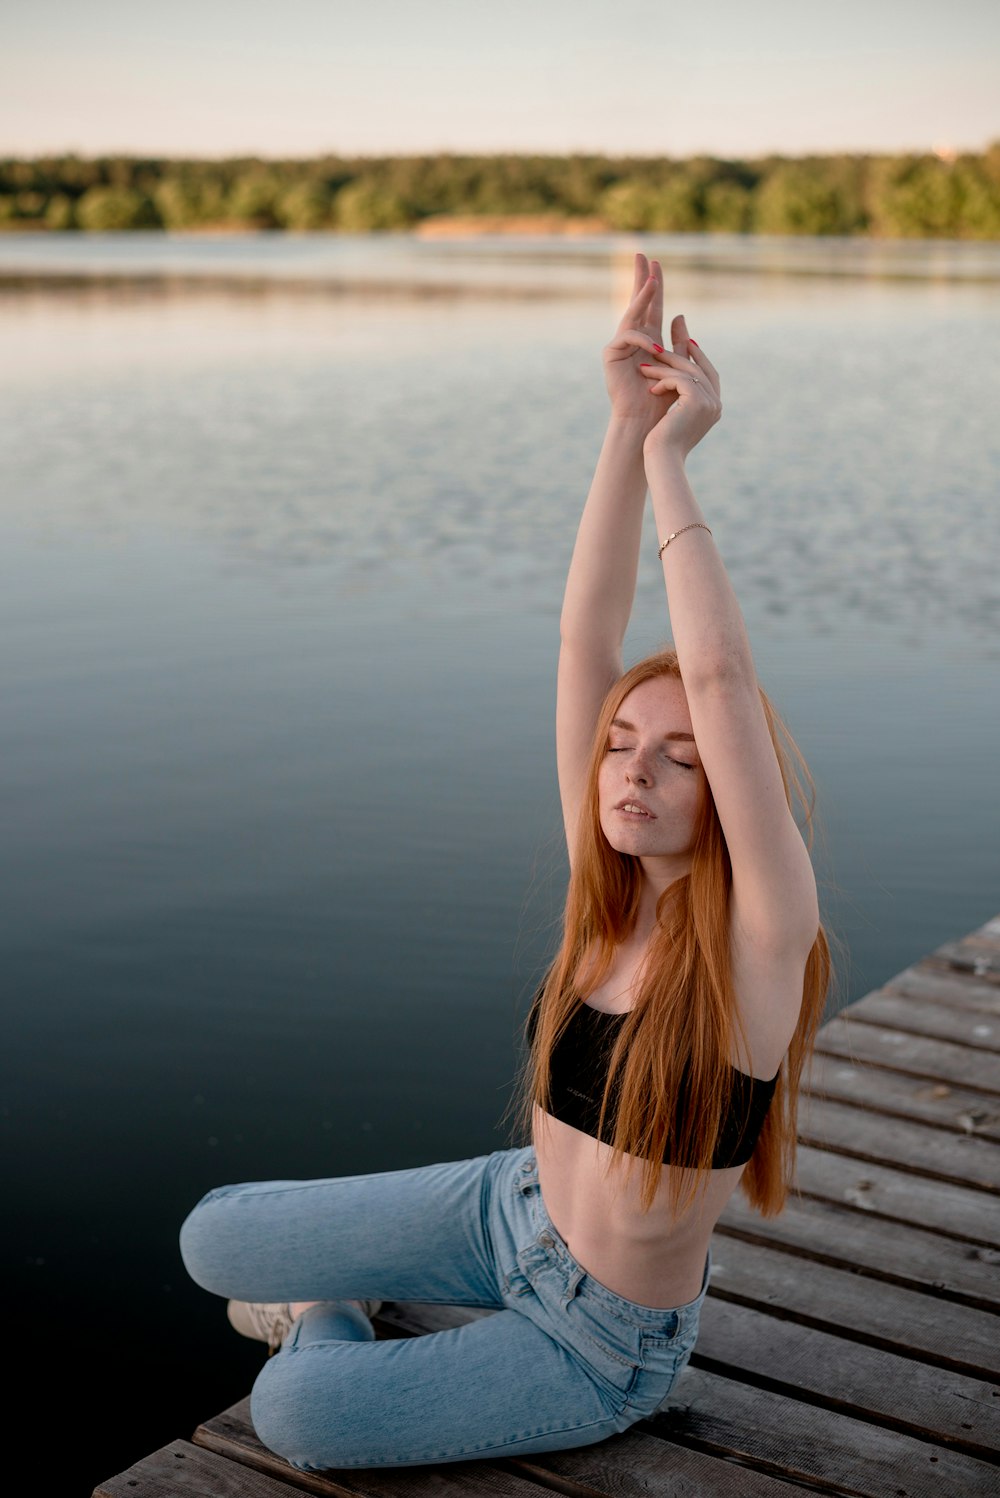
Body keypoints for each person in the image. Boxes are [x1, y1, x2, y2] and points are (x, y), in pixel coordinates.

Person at [179, 251, 831, 1472]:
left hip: (597, 1336)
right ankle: (338, 1309)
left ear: (729, 790)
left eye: (678, 759)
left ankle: (326, 1325)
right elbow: (587, 628)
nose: (633, 770)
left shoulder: (759, 942)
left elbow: (722, 679)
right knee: (213, 1239)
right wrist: (618, 423)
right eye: (620, 747)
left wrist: (671, 458)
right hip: (507, 1209)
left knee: (300, 1420)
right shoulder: (607, 891)